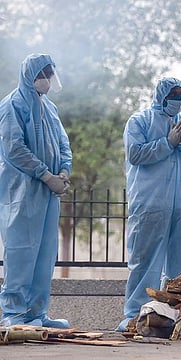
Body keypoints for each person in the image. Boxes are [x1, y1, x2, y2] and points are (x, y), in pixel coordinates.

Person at [116, 77, 181, 332]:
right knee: (145, 263)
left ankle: (173, 320)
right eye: (173, 94)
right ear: (161, 95)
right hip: (150, 206)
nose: (178, 99)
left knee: (180, 269)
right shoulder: (139, 122)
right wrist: (167, 143)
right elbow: (135, 154)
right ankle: (135, 317)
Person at [0, 54, 73, 328]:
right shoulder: (11, 106)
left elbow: (63, 143)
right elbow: (14, 149)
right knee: (20, 253)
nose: (47, 79)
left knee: (44, 254)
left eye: (49, 74)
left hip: (47, 193)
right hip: (21, 193)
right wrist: (44, 174)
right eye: (43, 74)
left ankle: (37, 313)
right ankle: (14, 314)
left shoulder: (50, 108)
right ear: (30, 75)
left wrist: (64, 170)